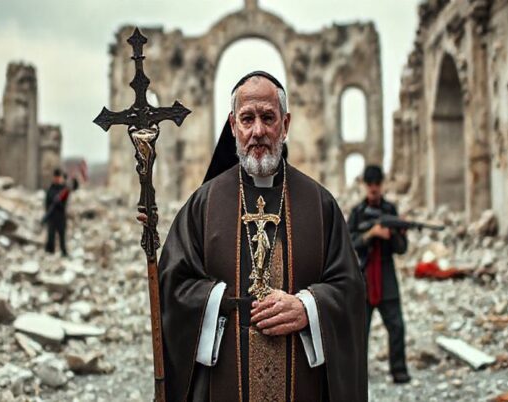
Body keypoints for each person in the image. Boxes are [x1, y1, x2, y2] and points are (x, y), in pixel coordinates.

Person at [153, 71, 367, 401]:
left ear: (285, 123)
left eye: (268, 118)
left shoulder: (319, 203)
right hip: (224, 380)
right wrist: (218, 302)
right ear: (233, 125)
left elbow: (349, 289)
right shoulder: (204, 204)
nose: (258, 131)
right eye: (247, 118)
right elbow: (172, 285)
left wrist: (307, 307)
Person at [347, 165, 410, 384]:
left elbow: (402, 249)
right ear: (364, 185)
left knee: (397, 327)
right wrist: (370, 234)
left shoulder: (390, 211)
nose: (373, 188)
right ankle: (356, 375)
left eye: (377, 184)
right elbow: (348, 244)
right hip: (363, 278)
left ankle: (399, 371)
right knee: (359, 332)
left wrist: (393, 234)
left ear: (382, 185)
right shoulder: (357, 213)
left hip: (386, 276)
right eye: (370, 184)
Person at [43, 169, 78, 257]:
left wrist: (74, 180)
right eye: (56, 177)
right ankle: (50, 253)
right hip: (52, 216)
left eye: (59, 177)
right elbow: (47, 202)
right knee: (51, 236)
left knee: (62, 236)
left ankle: (64, 253)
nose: (57, 179)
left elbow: (74, 187)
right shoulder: (51, 189)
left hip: (61, 216)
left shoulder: (64, 188)